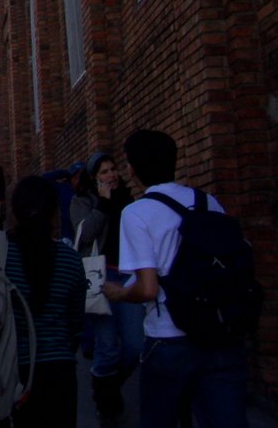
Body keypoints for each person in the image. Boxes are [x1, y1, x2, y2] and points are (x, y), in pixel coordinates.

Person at [103, 130, 249, 428]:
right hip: (220, 333)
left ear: (132, 168)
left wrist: (119, 294)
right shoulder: (208, 202)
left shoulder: (136, 213)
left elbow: (147, 288)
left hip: (169, 338)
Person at [0, 175, 86, 427]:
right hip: (59, 373)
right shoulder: (71, 259)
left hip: (3, 370)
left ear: (13, 211)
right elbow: (76, 324)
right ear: (55, 214)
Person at [70, 152, 143, 418]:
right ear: (94, 178)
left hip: (129, 276)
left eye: (113, 169)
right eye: (104, 172)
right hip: (101, 278)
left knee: (136, 344)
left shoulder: (127, 199)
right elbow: (84, 234)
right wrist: (102, 204)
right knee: (108, 345)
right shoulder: (82, 202)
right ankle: (106, 399)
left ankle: (107, 384)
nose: (111, 175)